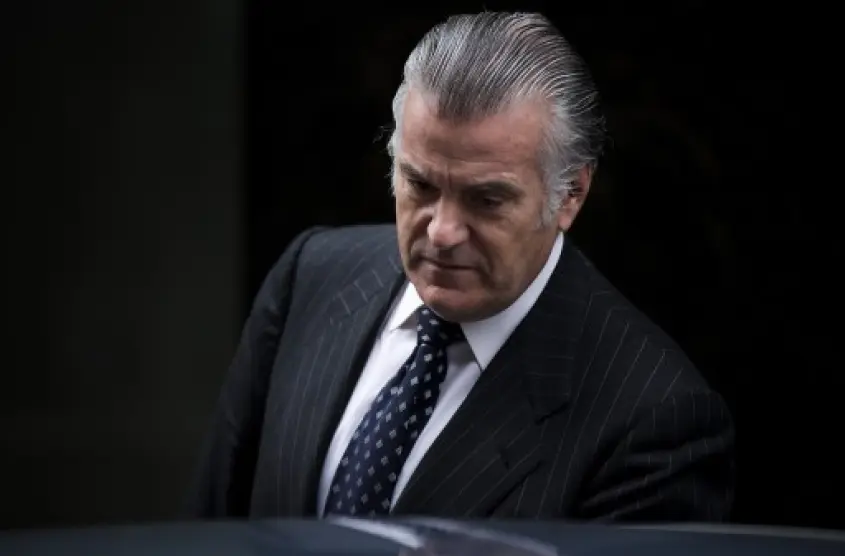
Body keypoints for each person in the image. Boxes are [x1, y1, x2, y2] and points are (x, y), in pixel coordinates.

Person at [189, 11, 734, 522]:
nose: (442, 232)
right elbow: (209, 527)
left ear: (571, 193)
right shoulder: (311, 276)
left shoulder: (654, 417)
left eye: (486, 200)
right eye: (420, 185)